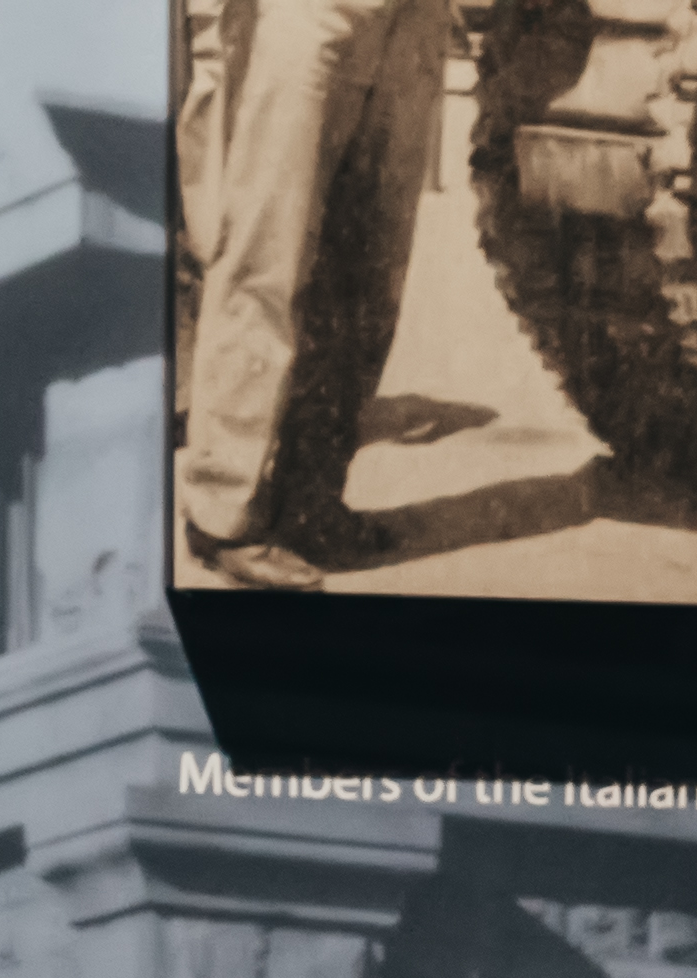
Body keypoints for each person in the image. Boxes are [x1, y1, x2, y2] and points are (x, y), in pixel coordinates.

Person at [176, 0, 466, 584]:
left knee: (371, 267)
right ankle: (223, 513)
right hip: (305, 15)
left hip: (413, 20)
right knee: (268, 253)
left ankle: (314, 497)